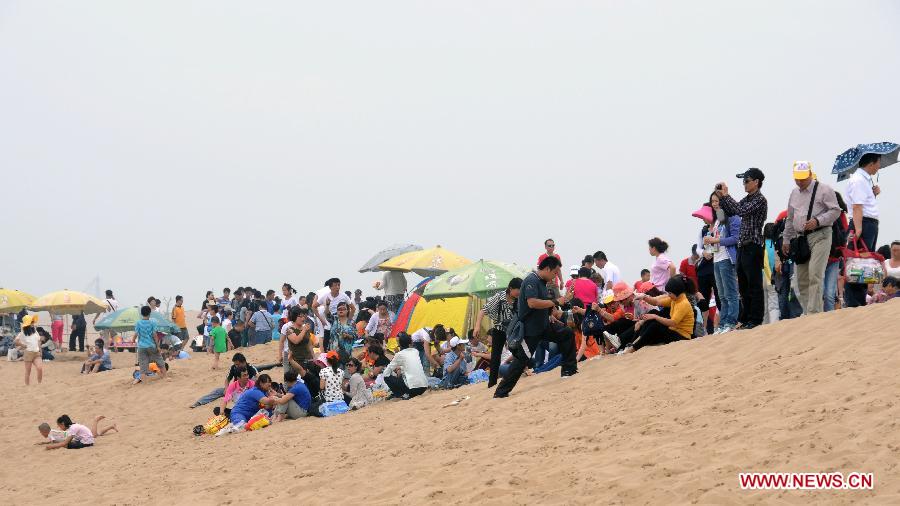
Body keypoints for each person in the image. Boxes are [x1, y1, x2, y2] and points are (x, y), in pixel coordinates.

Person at [494, 255, 577, 399]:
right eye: (555, 273)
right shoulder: (531, 280)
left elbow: (543, 303)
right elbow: (532, 303)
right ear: (547, 269)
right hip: (530, 331)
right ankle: (500, 392)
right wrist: (557, 301)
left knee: (567, 333)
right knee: (521, 361)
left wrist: (552, 311)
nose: (555, 276)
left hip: (543, 326)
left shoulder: (542, 282)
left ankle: (569, 370)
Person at [781, 162, 840, 315]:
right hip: (800, 239)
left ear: (810, 174)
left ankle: (814, 314)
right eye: (797, 179)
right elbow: (790, 218)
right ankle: (809, 311)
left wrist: (818, 220)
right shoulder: (794, 193)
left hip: (821, 235)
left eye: (803, 178)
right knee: (800, 280)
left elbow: (836, 211)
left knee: (815, 273)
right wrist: (786, 239)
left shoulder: (824, 189)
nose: (800, 182)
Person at [716, 168, 768, 330]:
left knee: (754, 285)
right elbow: (733, 210)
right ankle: (746, 319)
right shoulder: (747, 199)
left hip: (753, 245)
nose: (744, 184)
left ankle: (755, 319)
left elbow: (741, 211)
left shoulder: (760, 200)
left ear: (756, 182)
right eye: (743, 181)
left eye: (746, 180)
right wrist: (722, 197)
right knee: (744, 287)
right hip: (743, 247)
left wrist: (725, 196)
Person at [619, 275, 695, 353]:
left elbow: (673, 323)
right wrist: (644, 297)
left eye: (670, 293)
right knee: (652, 316)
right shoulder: (675, 299)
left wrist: (655, 317)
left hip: (682, 336)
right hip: (673, 331)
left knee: (655, 324)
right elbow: (656, 302)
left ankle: (633, 348)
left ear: (676, 291)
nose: (668, 295)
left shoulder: (683, 303)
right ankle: (633, 344)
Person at [844, 153, 882, 307]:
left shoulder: (864, 180)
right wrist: (858, 230)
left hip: (868, 223)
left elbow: (863, 204)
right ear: (872, 163)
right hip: (863, 224)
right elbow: (857, 206)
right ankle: (854, 303)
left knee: (864, 264)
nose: (879, 166)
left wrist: (873, 194)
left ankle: (859, 301)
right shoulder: (858, 180)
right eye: (878, 163)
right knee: (857, 263)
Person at [704, 192, 741, 333]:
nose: (714, 203)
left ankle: (731, 322)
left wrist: (716, 240)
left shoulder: (732, 217)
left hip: (727, 258)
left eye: (717, 200)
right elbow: (716, 239)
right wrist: (710, 242)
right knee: (722, 295)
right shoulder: (718, 219)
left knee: (730, 293)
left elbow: (735, 238)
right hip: (717, 259)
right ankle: (723, 323)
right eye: (712, 201)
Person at [474, 277, 521, 388]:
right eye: (518, 290)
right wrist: (477, 326)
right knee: (495, 357)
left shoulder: (519, 298)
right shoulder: (499, 297)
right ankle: (492, 384)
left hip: (513, 330)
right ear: (510, 288)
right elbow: (483, 311)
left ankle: (523, 372)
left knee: (518, 352)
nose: (519, 293)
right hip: (499, 330)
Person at [383, 332, 429, 399]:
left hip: (412, 389)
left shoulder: (399, 354)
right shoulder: (415, 351)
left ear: (399, 344)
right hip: (424, 387)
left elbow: (387, 371)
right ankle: (405, 393)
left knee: (386, 377)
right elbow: (409, 365)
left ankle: (402, 394)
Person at [41, 415, 117, 450]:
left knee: (65, 445)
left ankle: (95, 420)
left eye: (59, 426)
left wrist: (51, 447)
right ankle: (107, 425)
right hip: (87, 439)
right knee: (97, 434)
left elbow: (65, 443)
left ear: (63, 424)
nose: (59, 428)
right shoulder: (73, 427)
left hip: (87, 442)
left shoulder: (72, 428)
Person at [134, 306, 167, 384]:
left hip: (141, 347)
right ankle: (165, 377)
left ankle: (145, 382)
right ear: (149, 313)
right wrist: (158, 346)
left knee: (143, 365)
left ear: (141, 313)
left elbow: (136, 334)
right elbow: (154, 335)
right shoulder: (153, 322)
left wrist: (133, 340)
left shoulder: (138, 323)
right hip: (151, 345)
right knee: (160, 361)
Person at [13, 314, 42, 385]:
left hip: (36, 353)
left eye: (32, 322)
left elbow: (38, 340)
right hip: (28, 354)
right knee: (28, 371)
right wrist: (23, 345)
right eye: (31, 322)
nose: (33, 323)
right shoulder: (22, 333)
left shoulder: (35, 331)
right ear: (28, 324)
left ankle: (40, 384)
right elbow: (15, 341)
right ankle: (27, 386)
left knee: (40, 368)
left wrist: (40, 351)